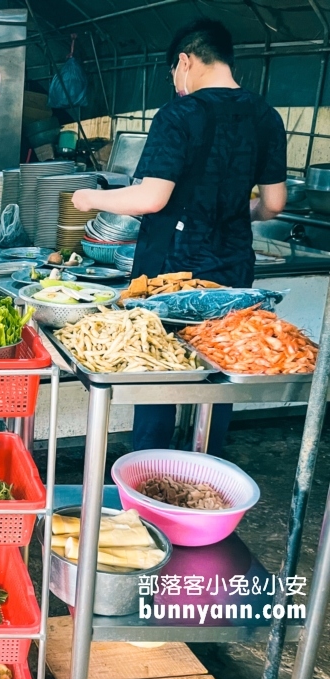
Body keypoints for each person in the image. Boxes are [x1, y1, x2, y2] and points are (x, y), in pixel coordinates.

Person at [72, 18, 287, 456]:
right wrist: (233, 211)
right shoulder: (267, 116)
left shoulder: (180, 114)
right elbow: (273, 206)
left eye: (173, 72)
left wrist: (89, 197)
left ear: (185, 61)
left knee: (160, 367)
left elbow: (151, 198)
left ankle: (149, 475)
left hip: (173, 270)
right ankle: (206, 471)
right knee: (222, 363)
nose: (176, 82)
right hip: (232, 267)